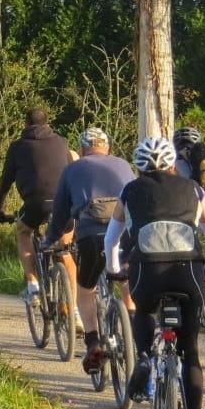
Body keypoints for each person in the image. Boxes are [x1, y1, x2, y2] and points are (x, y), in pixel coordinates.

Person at [104, 136, 205, 409]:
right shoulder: (194, 190)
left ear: (139, 167)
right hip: (188, 273)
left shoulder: (129, 191)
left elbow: (111, 238)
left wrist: (114, 268)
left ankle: (143, 358)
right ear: (173, 164)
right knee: (190, 350)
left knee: (143, 310)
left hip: (148, 272)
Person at [44, 127, 136, 373]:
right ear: (107, 148)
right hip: (125, 235)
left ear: (83, 149)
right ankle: (134, 328)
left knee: (86, 289)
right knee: (125, 278)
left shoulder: (72, 169)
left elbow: (61, 214)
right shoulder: (124, 165)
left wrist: (50, 239)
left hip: (91, 237)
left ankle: (93, 340)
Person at [0, 108, 75, 303]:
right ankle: (75, 309)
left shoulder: (18, 147)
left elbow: (5, 182)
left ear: (26, 124)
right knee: (65, 249)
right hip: (64, 203)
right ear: (47, 123)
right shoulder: (61, 142)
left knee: (23, 232)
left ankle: (32, 285)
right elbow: (72, 171)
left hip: (35, 204)